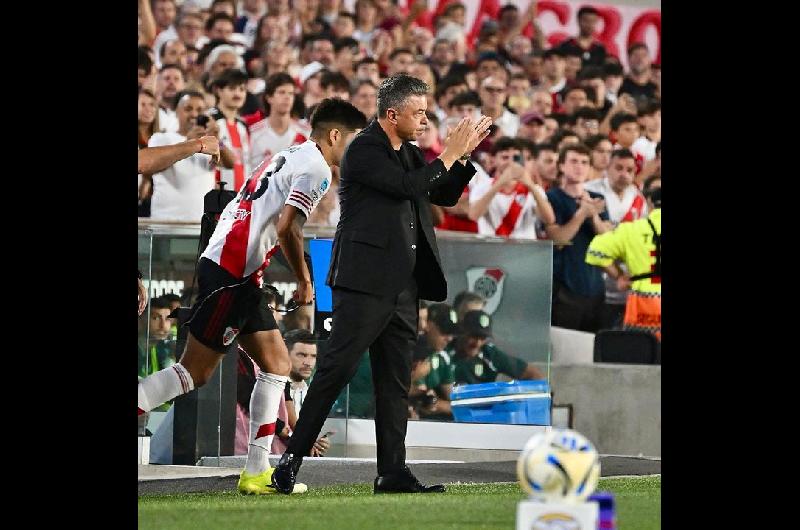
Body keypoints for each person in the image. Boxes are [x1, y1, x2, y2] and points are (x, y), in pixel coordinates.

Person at [271, 74, 492, 495]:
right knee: (334, 371)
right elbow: (407, 187)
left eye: (426, 112)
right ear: (392, 114)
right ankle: (289, 463)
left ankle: (392, 471)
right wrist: (448, 153)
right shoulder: (363, 150)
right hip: (364, 284)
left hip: (404, 287)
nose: (425, 120)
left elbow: (440, 195)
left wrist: (462, 159)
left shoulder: (406, 151)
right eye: (418, 112)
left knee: (395, 383)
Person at [136, 98, 368, 496]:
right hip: (232, 273)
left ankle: (257, 470)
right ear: (335, 136)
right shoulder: (317, 169)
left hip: (240, 271)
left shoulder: (292, 153)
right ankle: (256, 468)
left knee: (277, 364)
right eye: (354, 141)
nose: (356, 150)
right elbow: (287, 229)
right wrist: (304, 279)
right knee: (195, 373)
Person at [586, 186, 661, 339]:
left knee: (640, 352)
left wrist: (619, 275)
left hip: (644, 302)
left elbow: (595, 252)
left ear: (650, 204)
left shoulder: (632, 229)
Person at [449, 310, 545, 384]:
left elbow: (534, 375)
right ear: (462, 331)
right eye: (474, 336)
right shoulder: (446, 352)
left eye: (483, 338)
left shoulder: (489, 353)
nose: (477, 343)